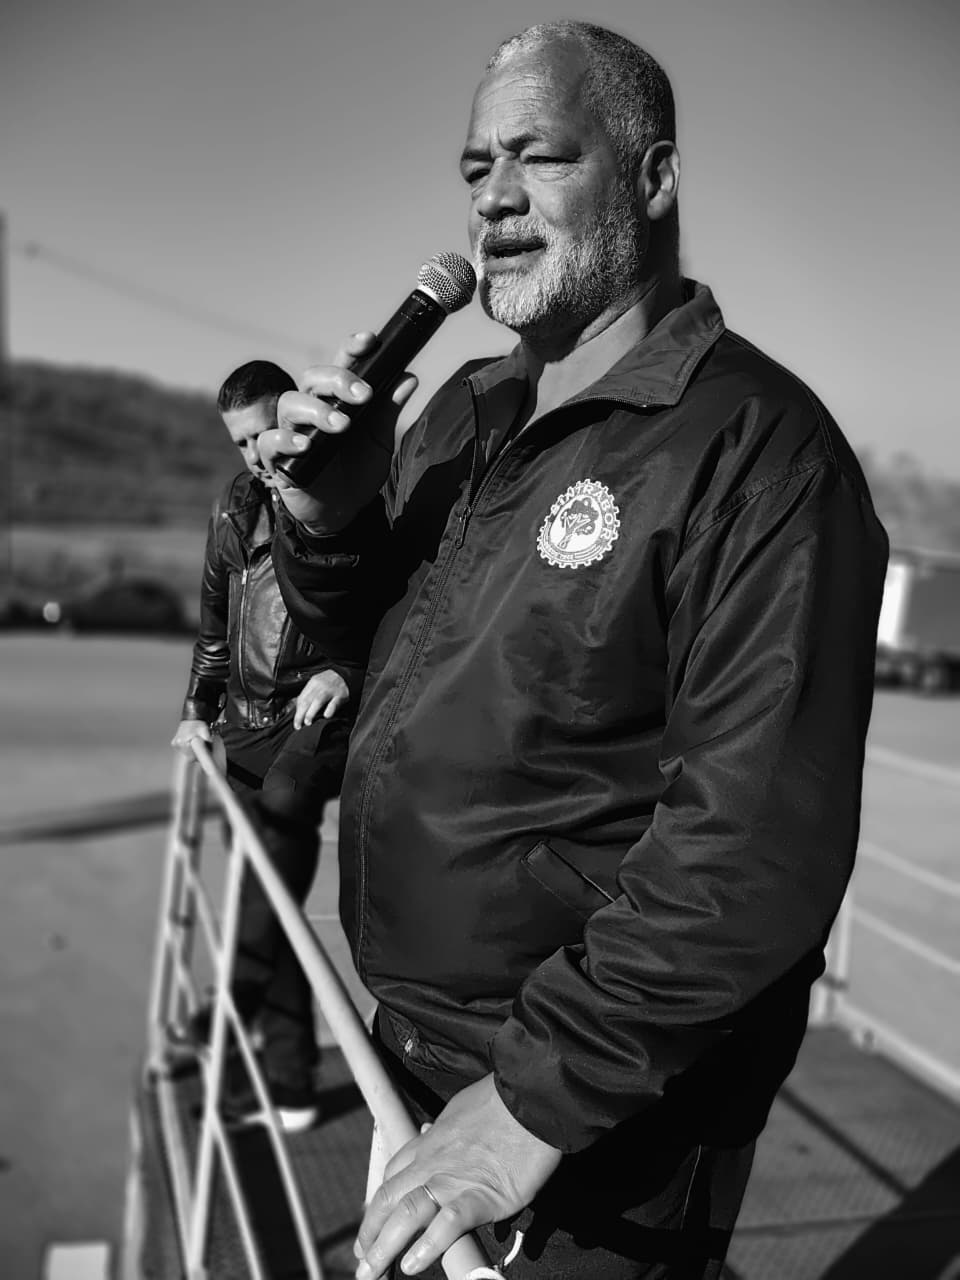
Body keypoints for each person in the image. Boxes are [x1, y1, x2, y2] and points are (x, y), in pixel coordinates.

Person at [261, 20, 888, 1276]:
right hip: (414, 1043)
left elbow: (754, 843)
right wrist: (326, 527)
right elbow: (365, 662)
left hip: (596, 1109)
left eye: (539, 156)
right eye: (475, 165)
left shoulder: (760, 449)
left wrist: (534, 1098)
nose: (493, 195)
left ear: (653, 178)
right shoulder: (463, 407)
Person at [171, 360, 370, 1132]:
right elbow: (213, 622)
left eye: (263, 434)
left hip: (309, 726)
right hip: (242, 729)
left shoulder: (344, 494)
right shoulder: (233, 507)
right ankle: (289, 1083)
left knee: (278, 839)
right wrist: (197, 709)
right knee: (271, 898)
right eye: (240, 443)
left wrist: (346, 671)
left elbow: (392, 602)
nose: (256, 455)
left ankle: (232, 1005)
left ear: (290, 417)